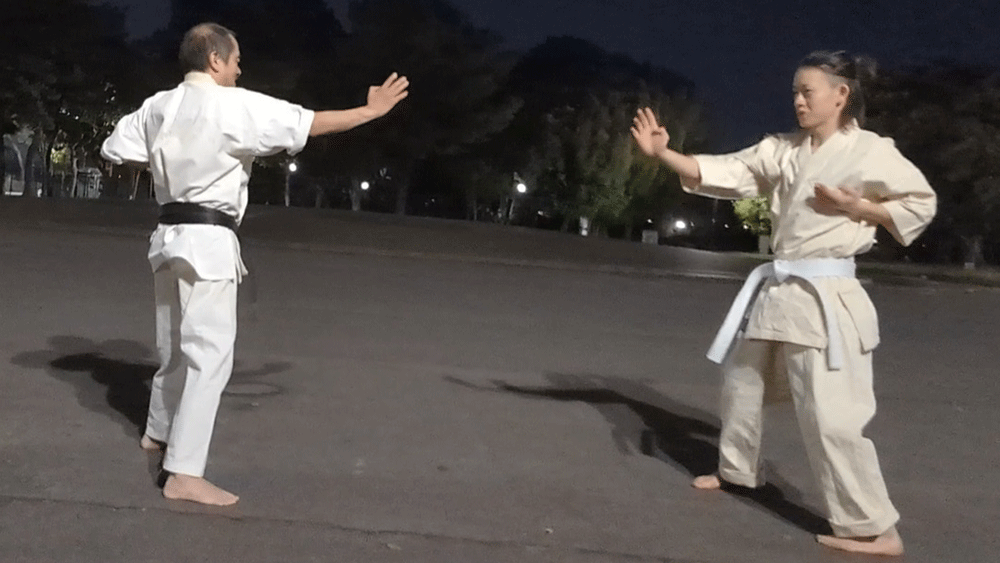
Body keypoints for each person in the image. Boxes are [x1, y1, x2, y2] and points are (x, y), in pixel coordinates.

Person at [631, 51, 936, 556]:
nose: (797, 100)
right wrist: (666, 154)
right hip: (779, 292)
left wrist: (860, 207)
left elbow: (920, 203)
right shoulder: (783, 149)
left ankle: (875, 528)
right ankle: (738, 472)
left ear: (841, 95)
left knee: (832, 416)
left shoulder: (872, 152)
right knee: (742, 386)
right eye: (794, 91)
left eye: (807, 91)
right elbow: (731, 170)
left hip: (827, 299)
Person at [101, 23, 408, 506]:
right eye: (236, 60)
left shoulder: (158, 106)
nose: (240, 70)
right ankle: (183, 473)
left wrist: (173, 158)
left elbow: (115, 149)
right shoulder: (235, 106)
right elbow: (309, 123)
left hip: (168, 235)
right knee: (209, 356)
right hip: (208, 240)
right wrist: (370, 111)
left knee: (175, 346)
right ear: (215, 60)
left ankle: (157, 432)